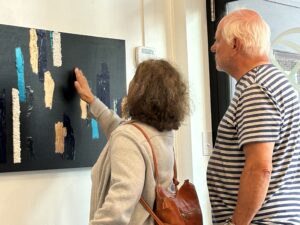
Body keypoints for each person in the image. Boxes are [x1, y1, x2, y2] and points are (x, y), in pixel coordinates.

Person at [207, 9, 300, 224]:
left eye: (217, 40)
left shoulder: (256, 89)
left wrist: (237, 223)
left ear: (235, 44)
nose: (213, 47)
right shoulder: (273, 82)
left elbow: (259, 168)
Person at [74, 59, 189, 225]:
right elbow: (122, 128)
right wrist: (92, 100)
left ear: (140, 90)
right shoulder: (162, 133)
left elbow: (119, 204)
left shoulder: (129, 138)